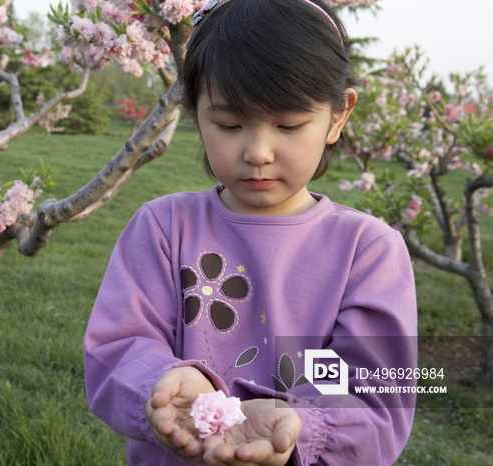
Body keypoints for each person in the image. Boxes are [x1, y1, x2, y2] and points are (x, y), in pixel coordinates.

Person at [84, 0, 418, 464]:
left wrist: (302, 428)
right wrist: (159, 384)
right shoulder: (164, 229)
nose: (258, 151)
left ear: (338, 116)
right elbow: (117, 347)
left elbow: (377, 401)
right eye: (229, 124)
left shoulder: (367, 252)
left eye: (288, 124)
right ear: (196, 114)